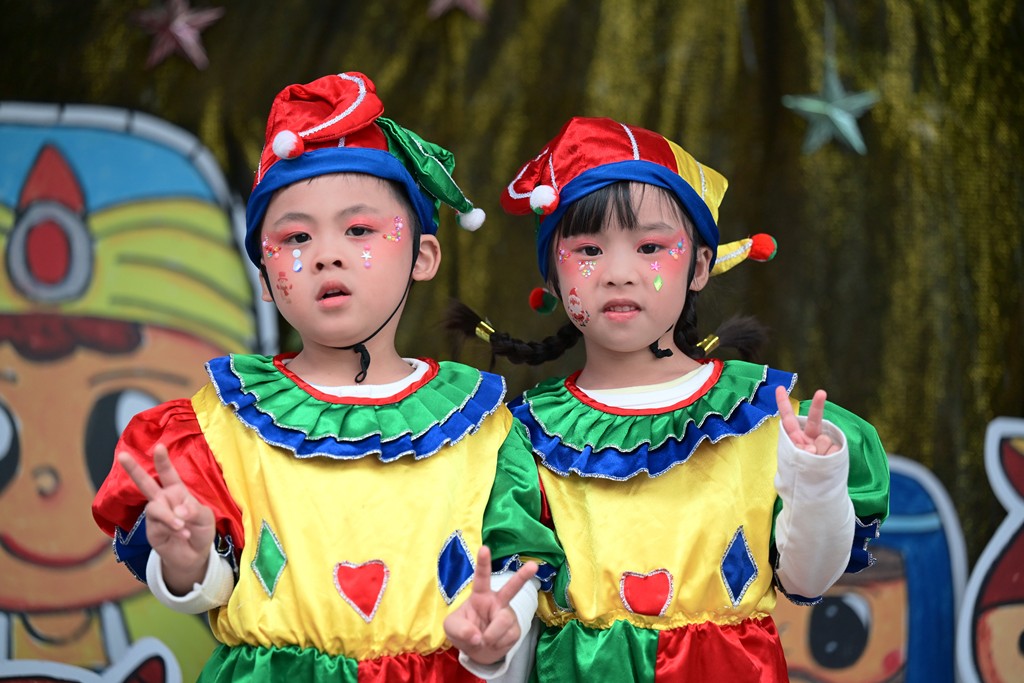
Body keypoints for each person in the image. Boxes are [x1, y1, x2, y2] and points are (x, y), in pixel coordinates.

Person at [91, 71, 561, 682]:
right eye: (296, 237)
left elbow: (511, 572)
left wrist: (495, 637)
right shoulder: (220, 425)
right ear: (265, 278)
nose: (326, 254)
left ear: (422, 256)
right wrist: (188, 560)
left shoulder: (482, 430)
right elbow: (211, 588)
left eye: (359, 230)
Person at [444, 116, 890, 681]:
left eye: (650, 246)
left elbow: (808, 580)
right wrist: (494, 640)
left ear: (699, 266)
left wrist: (817, 482)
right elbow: (519, 587)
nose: (618, 273)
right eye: (588, 249)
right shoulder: (528, 439)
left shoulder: (762, 420)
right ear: (553, 278)